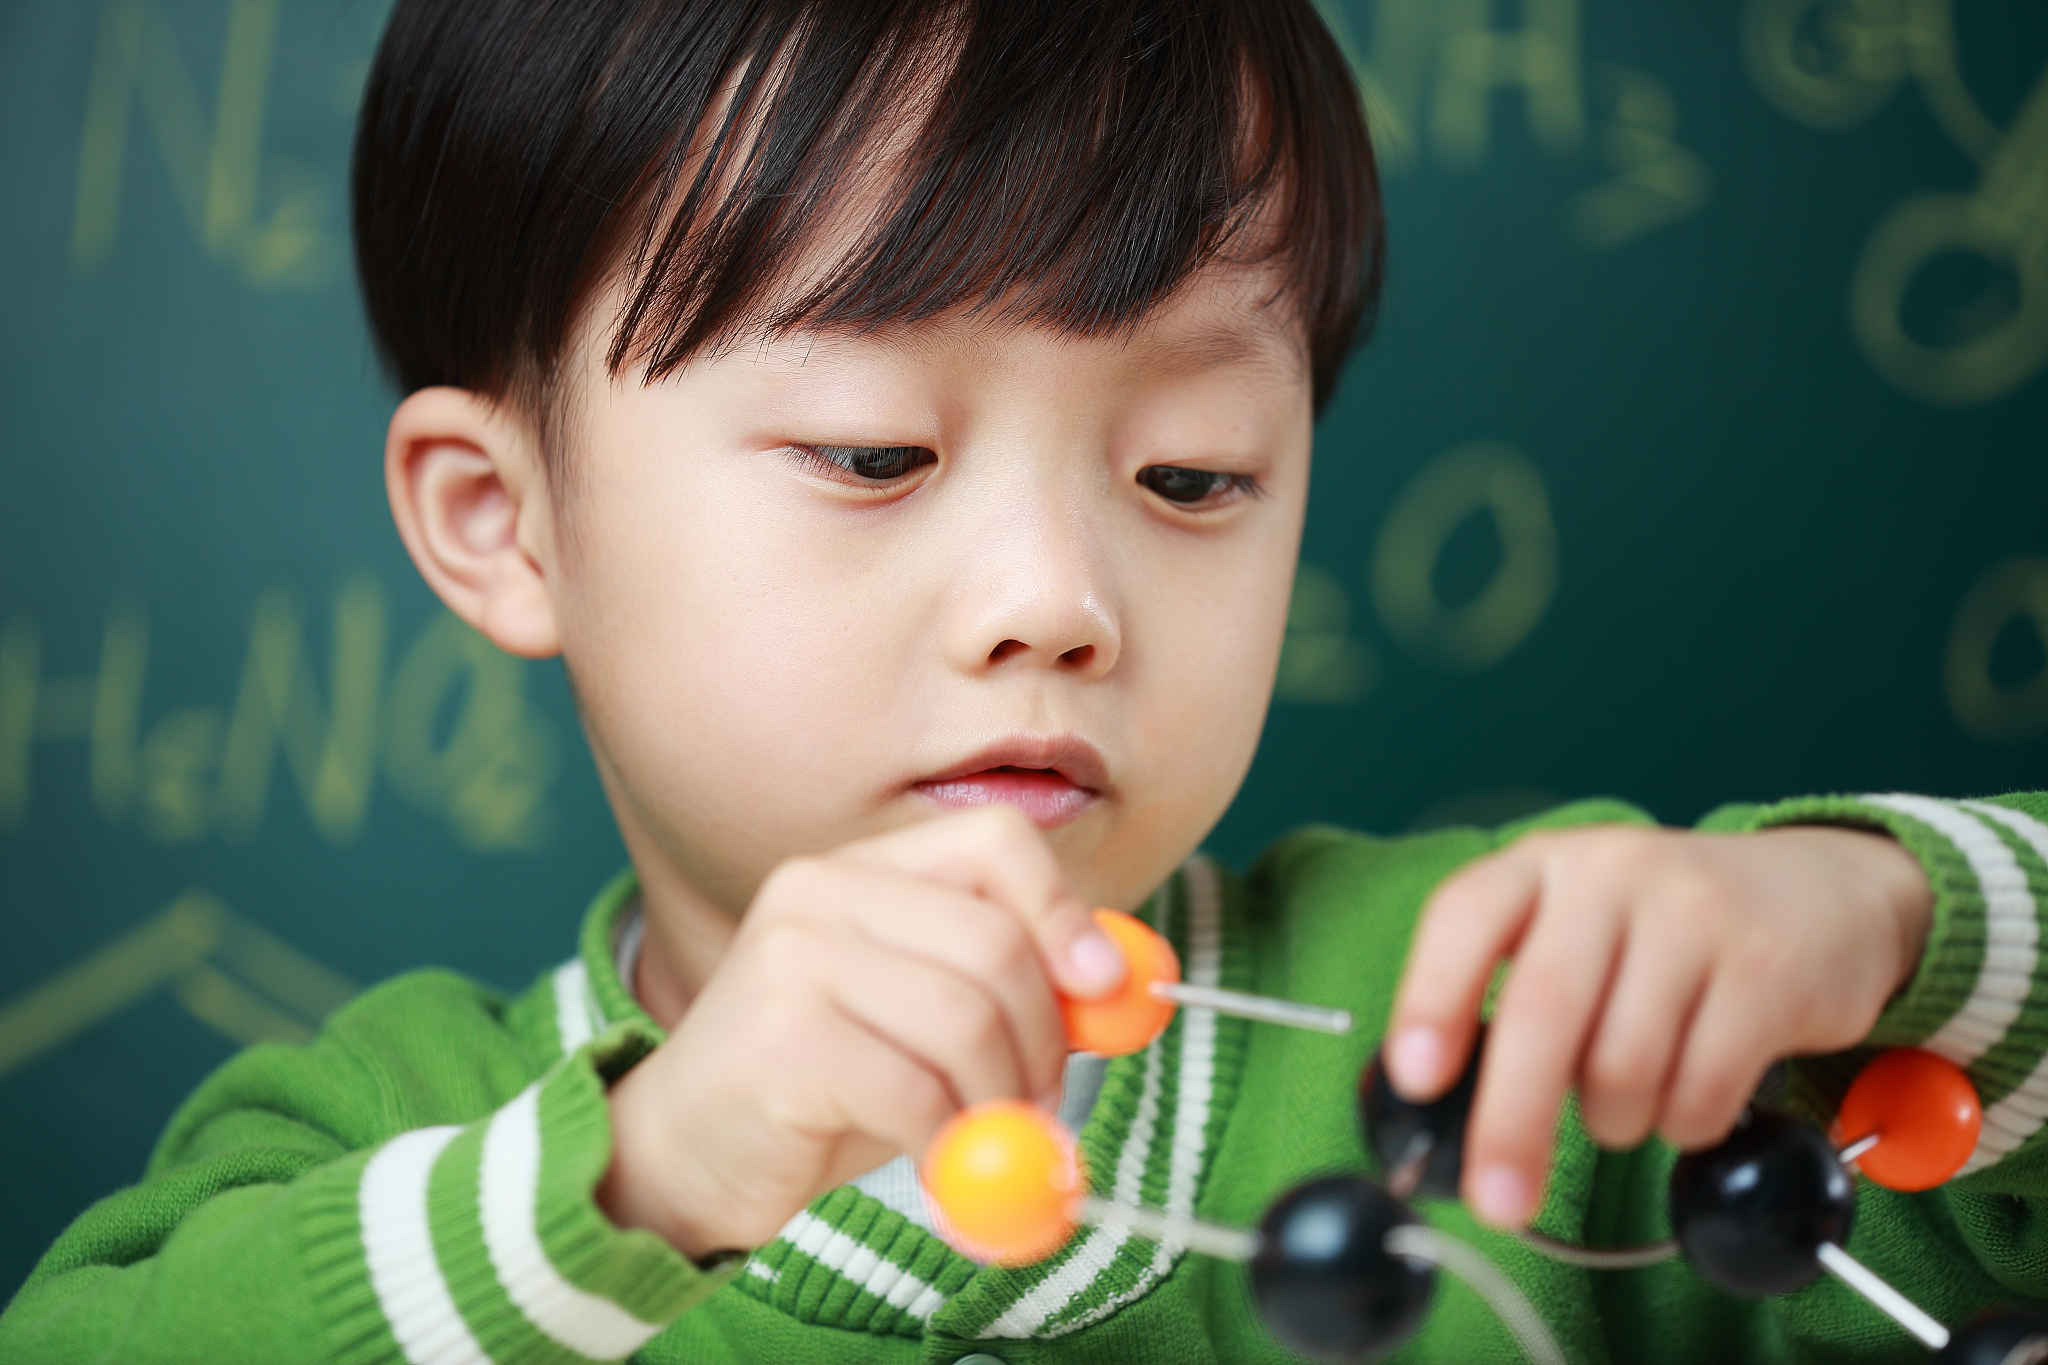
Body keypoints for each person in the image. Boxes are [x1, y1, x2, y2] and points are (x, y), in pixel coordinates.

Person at [4, 0, 2044, 1360]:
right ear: (501, 519)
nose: (1058, 597)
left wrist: (1884, 920)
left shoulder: (1508, 1052)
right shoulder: (388, 1142)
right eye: (877, 453)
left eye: (1191, 476)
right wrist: (646, 1179)